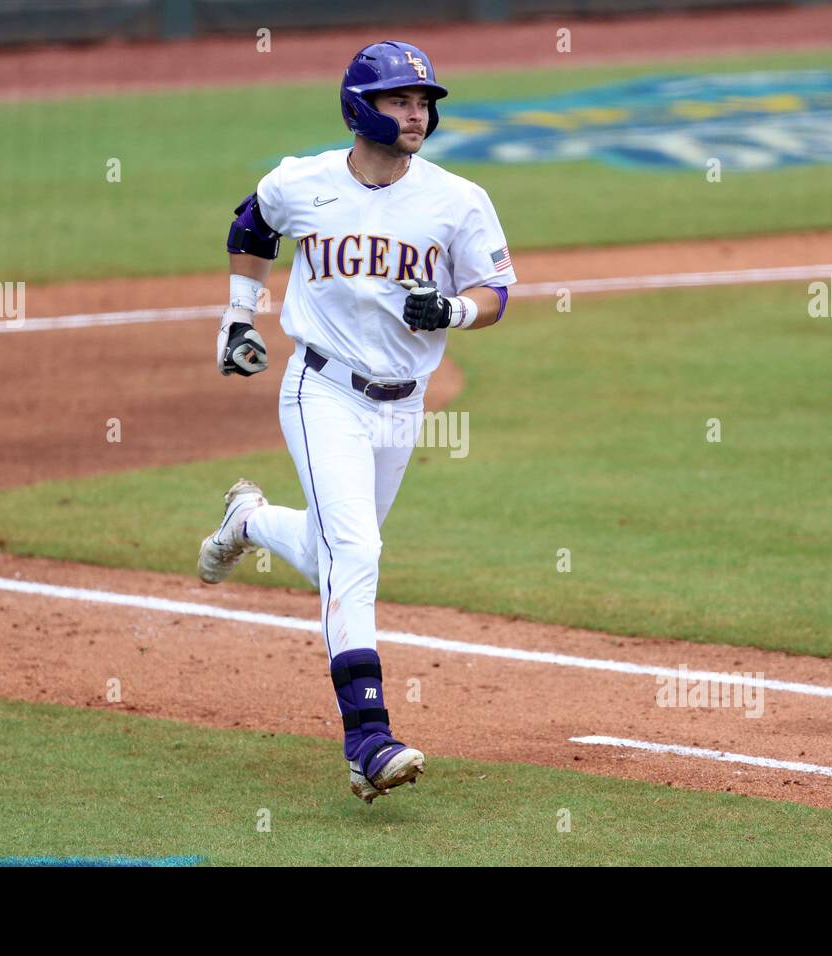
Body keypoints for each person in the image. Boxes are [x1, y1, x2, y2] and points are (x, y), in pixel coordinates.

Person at [199, 40, 517, 803]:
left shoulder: (456, 199)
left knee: (331, 554)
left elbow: (497, 290)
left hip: (402, 403)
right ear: (358, 107)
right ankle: (366, 736)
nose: (418, 114)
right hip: (321, 392)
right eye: (401, 101)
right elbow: (252, 225)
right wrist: (239, 318)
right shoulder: (301, 182)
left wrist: (456, 309)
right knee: (358, 549)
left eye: (424, 103)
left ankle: (249, 520)